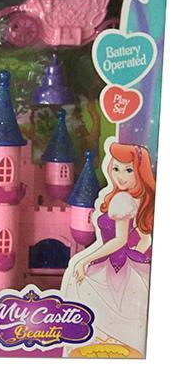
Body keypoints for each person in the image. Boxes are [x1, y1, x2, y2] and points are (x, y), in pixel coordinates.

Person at [64, 142, 154, 356]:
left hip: (115, 265)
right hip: (121, 263)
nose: (121, 176)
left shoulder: (124, 199)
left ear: (139, 171)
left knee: (82, 288)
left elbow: (120, 240)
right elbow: (143, 239)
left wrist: (84, 260)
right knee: (116, 309)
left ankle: (99, 344)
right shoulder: (134, 199)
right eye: (116, 168)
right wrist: (138, 258)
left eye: (128, 170)